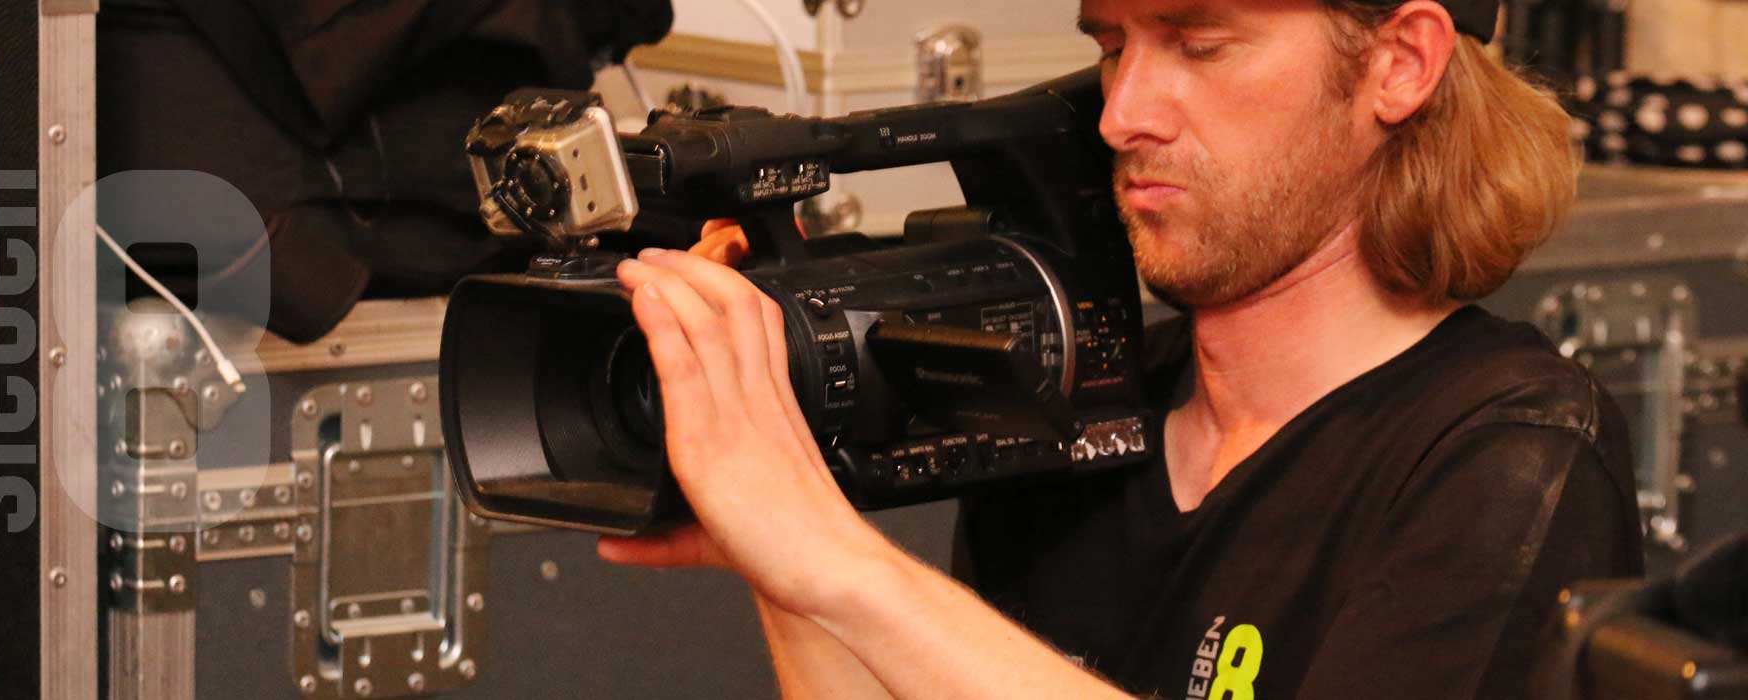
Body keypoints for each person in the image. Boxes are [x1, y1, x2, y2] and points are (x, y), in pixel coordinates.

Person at [598, 0, 1643, 697]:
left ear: (1400, 62)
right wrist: (777, 530)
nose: (1122, 114)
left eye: (1199, 43)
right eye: (1112, 48)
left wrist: (836, 560)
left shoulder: (1511, 452)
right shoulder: (1087, 405)